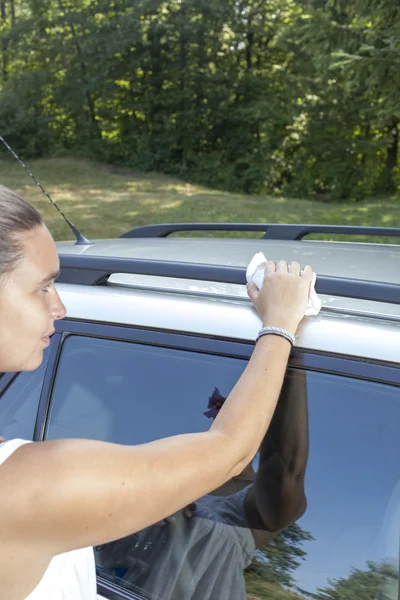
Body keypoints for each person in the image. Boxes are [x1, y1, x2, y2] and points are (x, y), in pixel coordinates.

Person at [0, 183, 314, 600]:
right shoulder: (32, 486)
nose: (60, 307)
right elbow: (230, 449)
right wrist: (280, 324)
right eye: (42, 287)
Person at [96, 370, 309, 600]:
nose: (234, 420)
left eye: (247, 415)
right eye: (226, 412)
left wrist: (290, 359)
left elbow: (287, 471)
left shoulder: (259, 498)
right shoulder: (181, 473)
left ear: (267, 431)